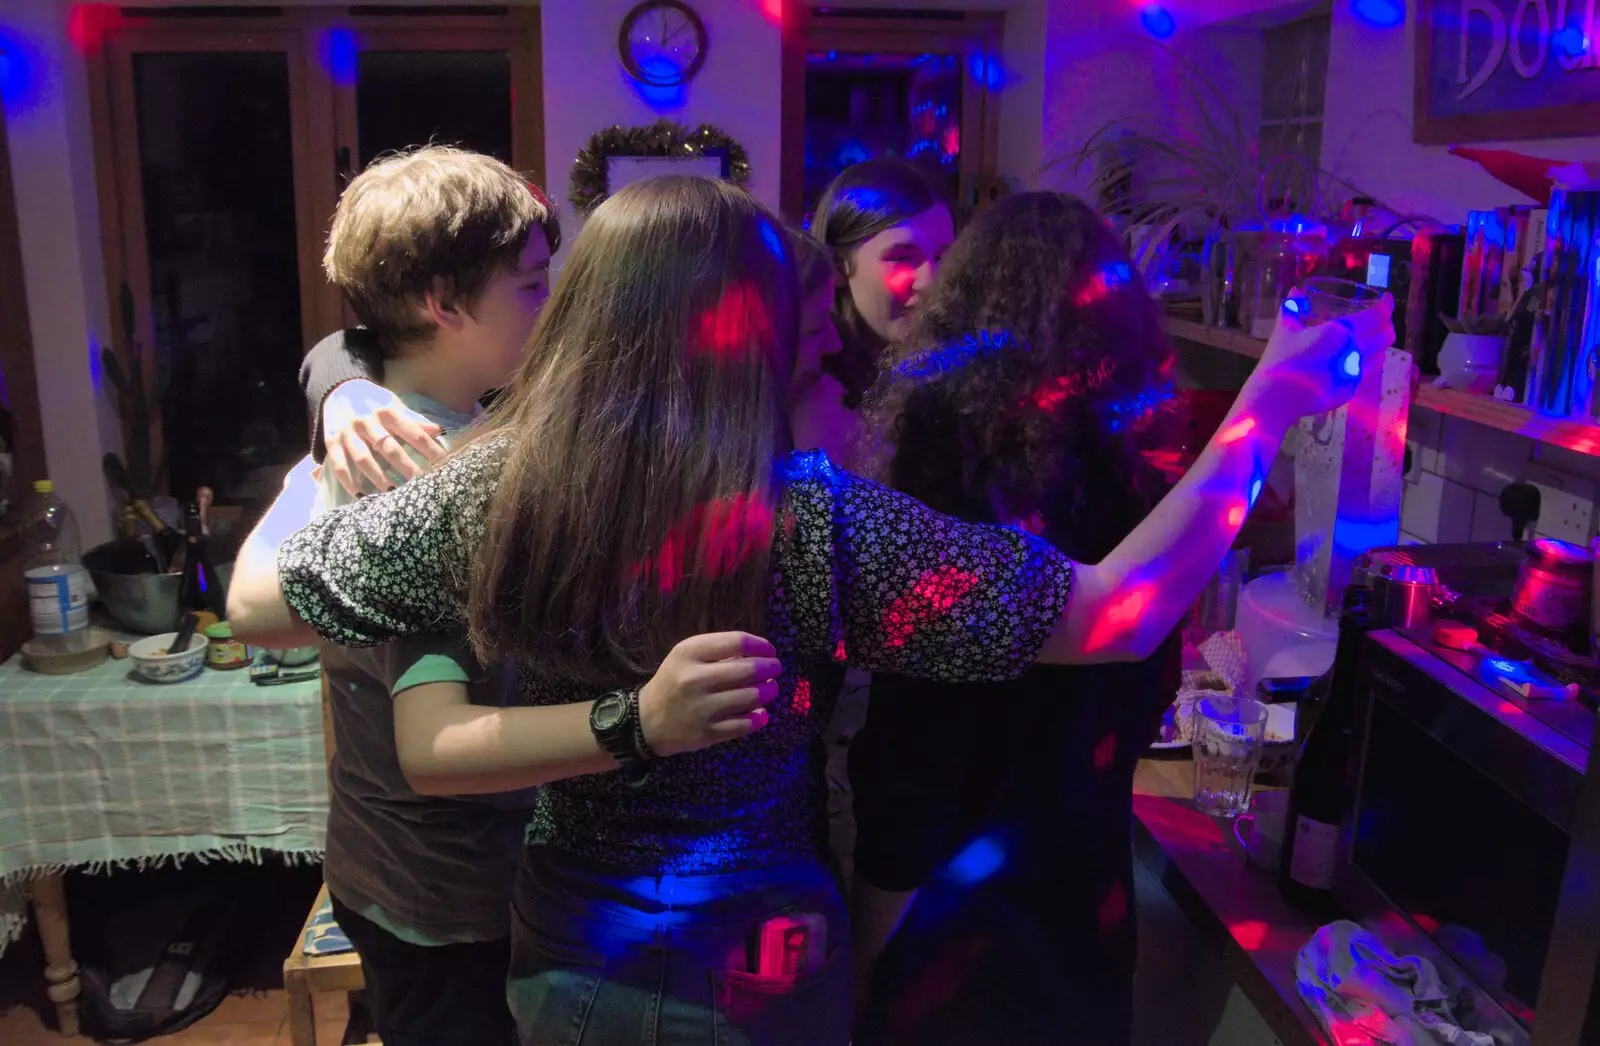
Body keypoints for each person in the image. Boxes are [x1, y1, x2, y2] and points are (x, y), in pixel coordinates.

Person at [227, 176, 1393, 1046]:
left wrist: (326, 431)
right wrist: (1271, 400)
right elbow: (1114, 613)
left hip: (572, 942)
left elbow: (260, 609)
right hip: (762, 954)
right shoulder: (812, 519)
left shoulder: (496, 484)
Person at [848, 192, 1187, 1044]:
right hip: (1086, 903)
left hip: (952, 912)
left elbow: (917, 730)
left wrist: (874, 914)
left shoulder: (943, 449)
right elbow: (1151, 688)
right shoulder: (1140, 471)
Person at [295, 144, 559, 1046]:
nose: (549, 302)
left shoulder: (454, 413)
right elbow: (436, 742)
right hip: (445, 893)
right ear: (444, 305)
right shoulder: (413, 478)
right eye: (530, 287)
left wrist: (335, 375)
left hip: (428, 871)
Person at [811, 159, 953, 410]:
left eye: (941, 257)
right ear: (838, 266)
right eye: (902, 258)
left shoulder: (952, 376)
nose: (931, 282)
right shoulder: (816, 397)